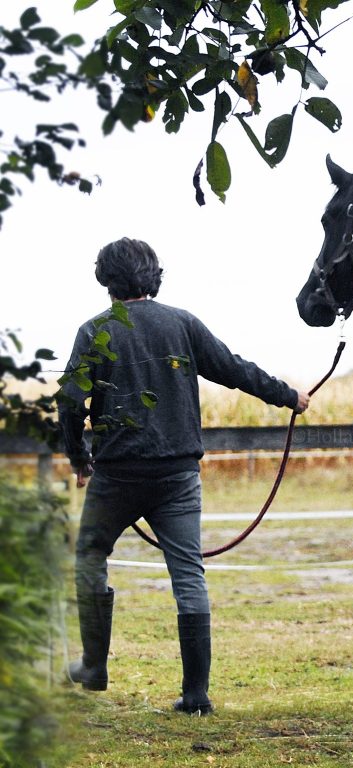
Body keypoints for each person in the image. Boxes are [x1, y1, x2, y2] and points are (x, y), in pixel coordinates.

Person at [59, 237, 310, 714]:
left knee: (90, 556)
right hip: (177, 476)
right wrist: (287, 396)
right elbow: (233, 369)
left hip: (116, 477)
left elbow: (71, 405)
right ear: (153, 275)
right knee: (189, 575)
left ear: (106, 279)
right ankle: (196, 695)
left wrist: (78, 458)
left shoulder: (94, 331)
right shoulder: (182, 324)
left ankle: (93, 667)